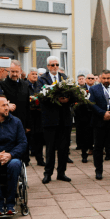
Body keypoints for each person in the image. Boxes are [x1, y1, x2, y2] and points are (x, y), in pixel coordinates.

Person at [38, 56, 72, 184]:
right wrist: (56, 99)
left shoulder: (64, 78)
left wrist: (68, 99)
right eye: (52, 65)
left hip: (64, 119)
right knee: (50, 148)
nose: (55, 67)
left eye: (57, 64)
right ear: (48, 66)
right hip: (50, 120)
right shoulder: (42, 79)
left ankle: (61, 173)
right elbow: (40, 95)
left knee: (63, 148)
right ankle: (48, 173)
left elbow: (73, 94)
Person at [1, 62, 31, 163]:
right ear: (9, 71)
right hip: (8, 120)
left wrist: (28, 124)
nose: (14, 74)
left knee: (23, 142)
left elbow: (27, 105)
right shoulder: (3, 85)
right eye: (12, 71)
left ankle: (25, 161)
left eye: (16, 72)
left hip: (23, 119)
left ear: (20, 72)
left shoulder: (25, 84)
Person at [74, 74, 93, 164]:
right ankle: (84, 155)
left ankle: (93, 150)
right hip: (83, 116)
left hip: (94, 114)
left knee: (93, 135)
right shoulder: (80, 89)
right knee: (85, 136)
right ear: (86, 80)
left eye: (92, 78)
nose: (90, 80)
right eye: (88, 78)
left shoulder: (97, 88)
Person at [26, 69, 44, 166]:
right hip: (29, 115)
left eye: (36, 74)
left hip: (38, 115)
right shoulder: (25, 85)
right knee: (28, 137)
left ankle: (40, 159)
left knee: (39, 138)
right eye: (32, 74)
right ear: (28, 75)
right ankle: (26, 159)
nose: (35, 76)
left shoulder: (39, 85)